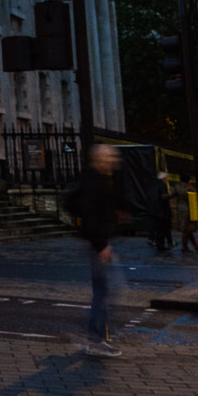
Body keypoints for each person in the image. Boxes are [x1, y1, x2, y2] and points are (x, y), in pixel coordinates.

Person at [75, 142, 122, 357]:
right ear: (99, 158)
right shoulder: (94, 179)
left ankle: (96, 337)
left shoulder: (101, 178)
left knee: (104, 292)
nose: (114, 160)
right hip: (98, 245)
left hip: (101, 242)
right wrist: (101, 244)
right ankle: (95, 340)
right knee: (102, 293)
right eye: (110, 156)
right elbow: (89, 215)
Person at [153, 171, 173, 253]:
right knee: (162, 229)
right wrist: (172, 194)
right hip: (162, 211)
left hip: (157, 211)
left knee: (160, 229)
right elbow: (163, 197)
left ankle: (163, 243)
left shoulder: (155, 185)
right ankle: (161, 245)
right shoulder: (162, 185)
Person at [181, 178, 198, 256]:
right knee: (187, 230)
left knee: (188, 230)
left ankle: (194, 245)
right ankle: (185, 246)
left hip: (186, 211)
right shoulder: (190, 189)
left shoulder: (180, 188)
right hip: (190, 211)